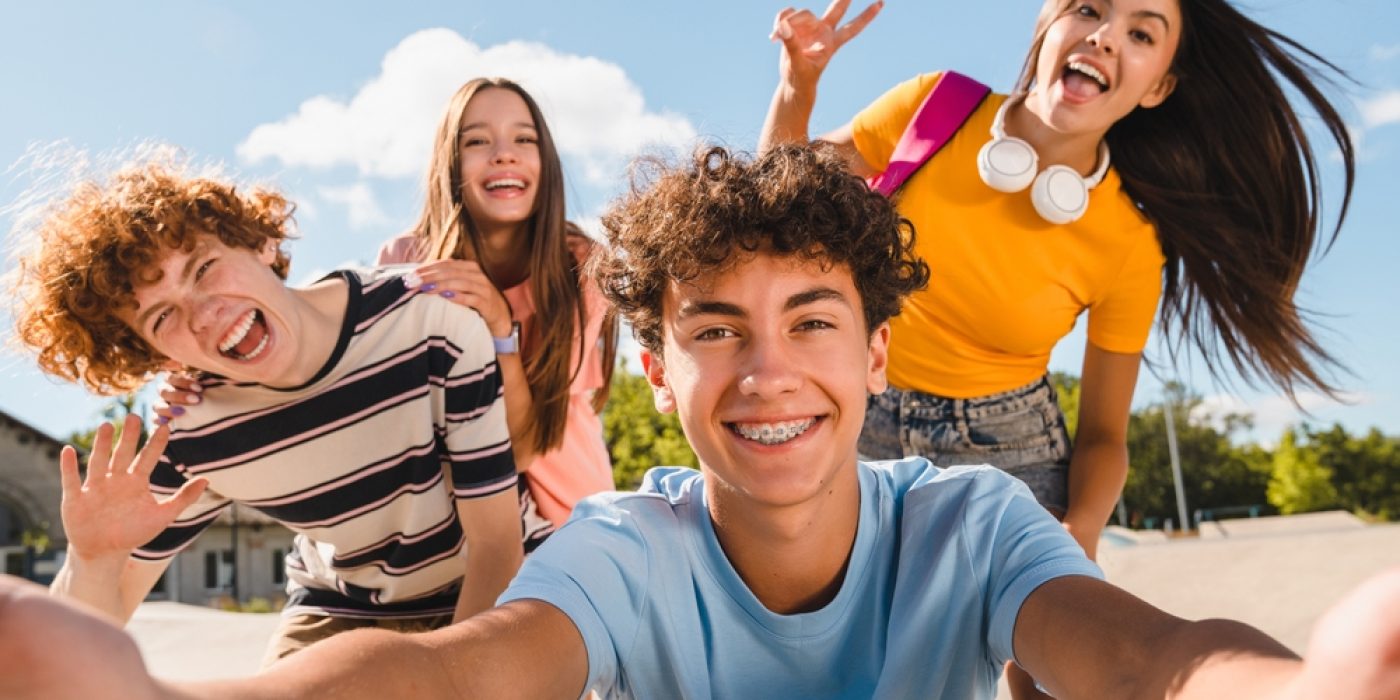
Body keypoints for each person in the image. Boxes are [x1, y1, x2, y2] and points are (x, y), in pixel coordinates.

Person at [4, 145, 1398, 700]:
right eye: (715, 333)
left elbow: (1150, 656)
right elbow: (479, 662)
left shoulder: (969, 522)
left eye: (811, 324)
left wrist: (1287, 694)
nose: (767, 373)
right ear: (656, 375)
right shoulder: (629, 546)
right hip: (350, 621)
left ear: (877, 352)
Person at [760, 0, 1356, 566]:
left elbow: (1102, 434)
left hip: (1008, 442)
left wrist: (1082, 530)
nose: (1103, 35)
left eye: (1141, 34)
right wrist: (797, 87)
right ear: (1050, 21)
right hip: (856, 408)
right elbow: (773, 212)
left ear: (1157, 88)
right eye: (1089, 9)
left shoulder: (1129, 244)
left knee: (1045, 658)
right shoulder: (933, 106)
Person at [9, 158, 523, 664]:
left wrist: (454, 681)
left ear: (260, 242)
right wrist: (93, 559)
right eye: (164, 316)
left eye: (204, 268)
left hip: (491, 580)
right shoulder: (194, 434)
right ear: (161, 358)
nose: (206, 313)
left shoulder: (429, 321)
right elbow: (83, 632)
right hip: (342, 607)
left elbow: (497, 544)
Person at [159, 77, 619, 550]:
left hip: (565, 514)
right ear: (450, 162)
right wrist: (206, 384)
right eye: (477, 141)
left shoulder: (580, 267)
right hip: (450, 525)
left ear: (547, 162)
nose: (504, 153)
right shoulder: (407, 257)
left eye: (525, 139)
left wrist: (502, 329)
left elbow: (527, 446)